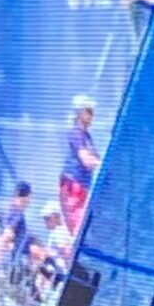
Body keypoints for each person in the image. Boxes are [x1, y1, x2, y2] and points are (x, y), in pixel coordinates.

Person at [59, 94, 101, 230]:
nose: (92, 114)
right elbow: (87, 160)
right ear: (81, 113)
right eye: (89, 111)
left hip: (82, 187)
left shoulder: (87, 136)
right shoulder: (76, 134)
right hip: (73, 186)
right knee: (79, 228)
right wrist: (100, 165)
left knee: (84, 225)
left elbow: (95, 158)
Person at [0, 181, 35, 265]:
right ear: (26, 197)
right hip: (14, 261)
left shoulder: (14, 211)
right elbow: (7, 235)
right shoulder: (16, 212)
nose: (30, 201)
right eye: (30, 197)